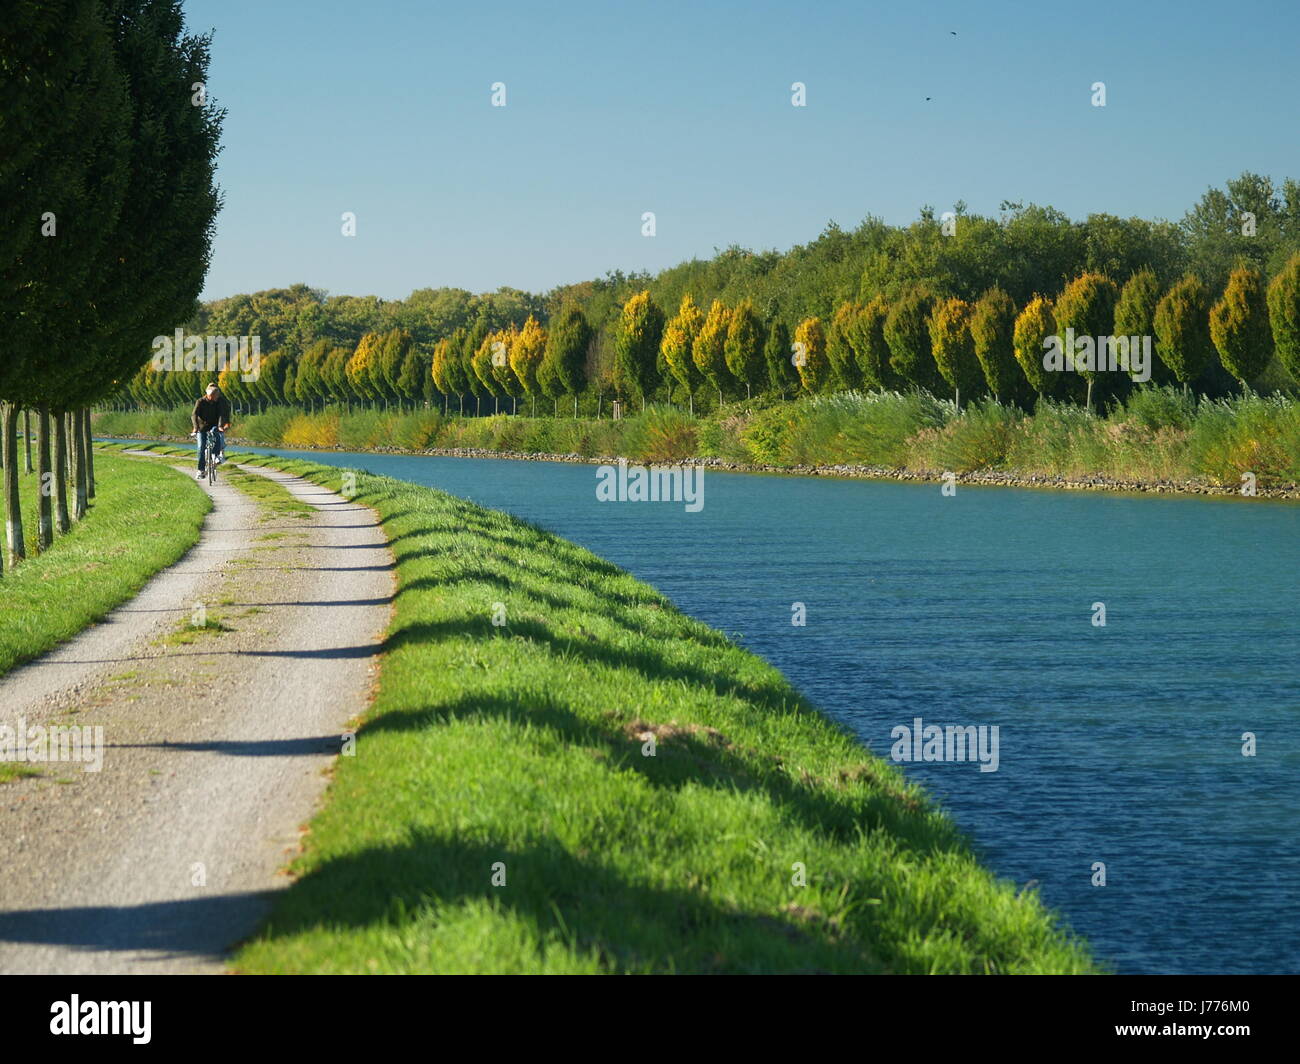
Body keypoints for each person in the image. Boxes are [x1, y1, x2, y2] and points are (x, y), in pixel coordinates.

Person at [192, 382, 232, 478]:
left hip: (214, 425)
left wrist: (220, 426)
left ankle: (216, 455)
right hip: (202, 427)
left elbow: (222, 414)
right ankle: (201, 470)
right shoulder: (200, 401)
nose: (217, 397)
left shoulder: (219, 401)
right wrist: (196, 427)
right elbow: (194, 415)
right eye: (216, 395)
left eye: (218, 395)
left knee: (217, 434)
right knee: (201, 447)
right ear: (210, 395)